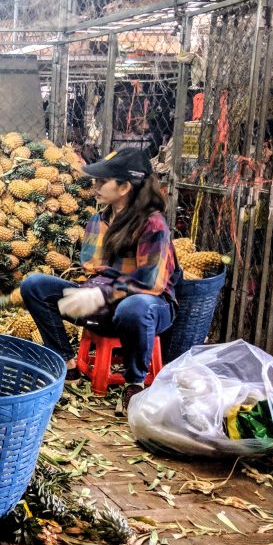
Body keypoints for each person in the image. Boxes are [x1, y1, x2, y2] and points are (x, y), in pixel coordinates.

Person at [20, 148, 179, 393]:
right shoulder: (99, 220)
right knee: (35, 286)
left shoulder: (152, 224)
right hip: (105, 299)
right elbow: (91, 265)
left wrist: (105, 291)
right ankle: (66, 361)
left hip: (149, 307)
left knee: (134, 307)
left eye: (103, 181)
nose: (95, 186)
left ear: (125, 187)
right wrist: (96, 289)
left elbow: (152, 284)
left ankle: (135, 384)